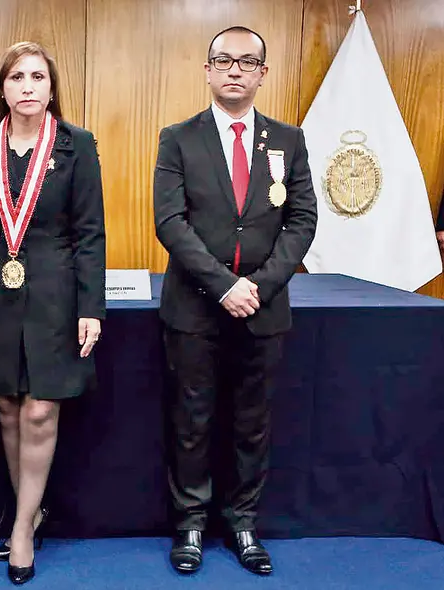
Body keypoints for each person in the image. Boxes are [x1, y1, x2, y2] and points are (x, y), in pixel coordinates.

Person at [153, 26, 318, 576]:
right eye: (223, 61)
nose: (234, 71)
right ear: (207, 70)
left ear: (262, 74)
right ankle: (192, 524)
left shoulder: (288, 140)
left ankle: (243, 521)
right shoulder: (178, 138)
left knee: (253, 421)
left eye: (247, 63)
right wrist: (223, 284)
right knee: (192, 419)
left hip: (263, 308)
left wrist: (260, 285)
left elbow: (301, 220)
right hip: (195, 307)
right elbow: (170, 222)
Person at [0, 41, 106, 585]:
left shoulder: (76, 145)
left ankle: (20, 532)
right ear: (3, 88)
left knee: (41, 411)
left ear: (52, 87)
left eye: (38, 76)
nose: (28, 86)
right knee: (8, 409)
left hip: (58, 296)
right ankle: (28, 511)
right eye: (17, 77)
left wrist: (92, 307)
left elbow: (89, 235)